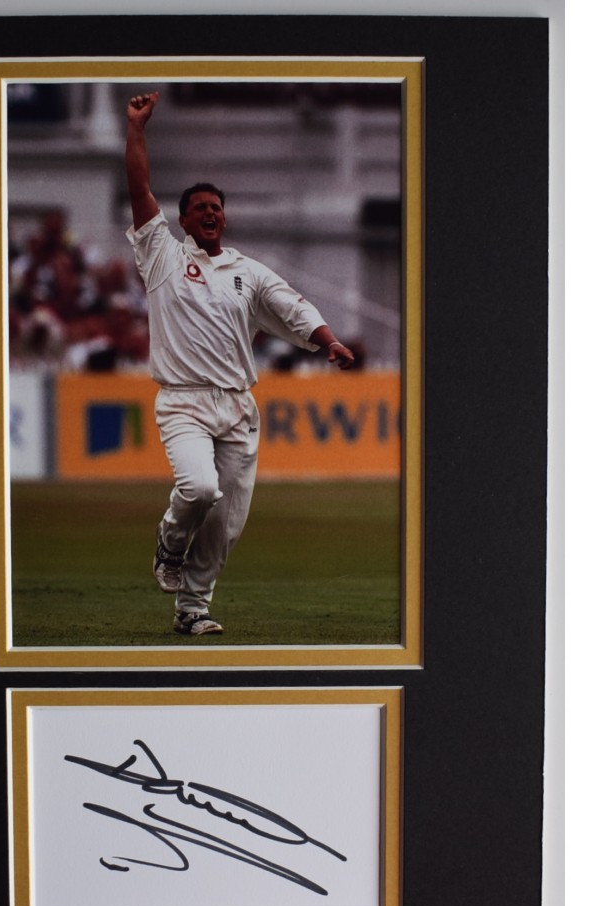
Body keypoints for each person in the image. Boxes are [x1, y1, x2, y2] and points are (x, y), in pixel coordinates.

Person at [124, 91, 355, 637]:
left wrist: (328, 341)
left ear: (224, 219)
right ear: (182, 219)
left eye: (217, 208)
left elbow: (290, 306)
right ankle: (169, 543)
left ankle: (192, 610)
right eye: (199, 207)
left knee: (226, 522)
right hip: (183, 400)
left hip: (237, 406)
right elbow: (139, 188)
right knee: (200, 489)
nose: (210, 213)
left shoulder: (246, 271)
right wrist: (136, 129)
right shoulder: (162, 255)